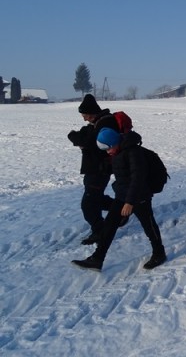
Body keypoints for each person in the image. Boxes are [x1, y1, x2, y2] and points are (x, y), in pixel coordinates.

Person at [72, 127, 166, 271]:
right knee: (109, 225)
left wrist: (129, 202)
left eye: (108, 148)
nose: (107, 151)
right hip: (123, 193)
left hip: (139, 195)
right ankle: (97, 259)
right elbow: (122, 173)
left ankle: (159, 253)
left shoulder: (133, 152)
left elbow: (137, 178)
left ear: (115, 142)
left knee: (148, 224)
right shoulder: (118, 151)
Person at [67, 94, 121, 245]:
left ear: (92, 112)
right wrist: (77, 137)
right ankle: (121, 209)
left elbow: (89, 142)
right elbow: (82, 137)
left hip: (99, 169)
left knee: (88, 204)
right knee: (95, 198)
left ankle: (100, 231)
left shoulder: (106, 123)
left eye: (85, 115)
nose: (84, 119)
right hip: (94, 168)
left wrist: (80, 140)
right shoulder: (96, 122)